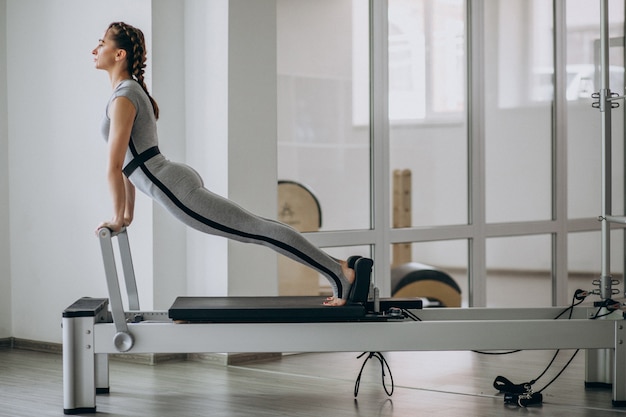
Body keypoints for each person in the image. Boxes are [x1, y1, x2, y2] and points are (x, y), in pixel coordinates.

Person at [92, 22, 354, 306]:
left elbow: (115, 165)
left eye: (101, 44)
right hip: (172, 181)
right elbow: (130, 165)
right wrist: (126, 216)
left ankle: (339, 273)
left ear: (119, 54)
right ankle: (340, 266)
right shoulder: (127, 92)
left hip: (174, 189)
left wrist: (118, 218)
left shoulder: (124, 96)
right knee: (257, 226)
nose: (95, 50)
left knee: (258, 230)